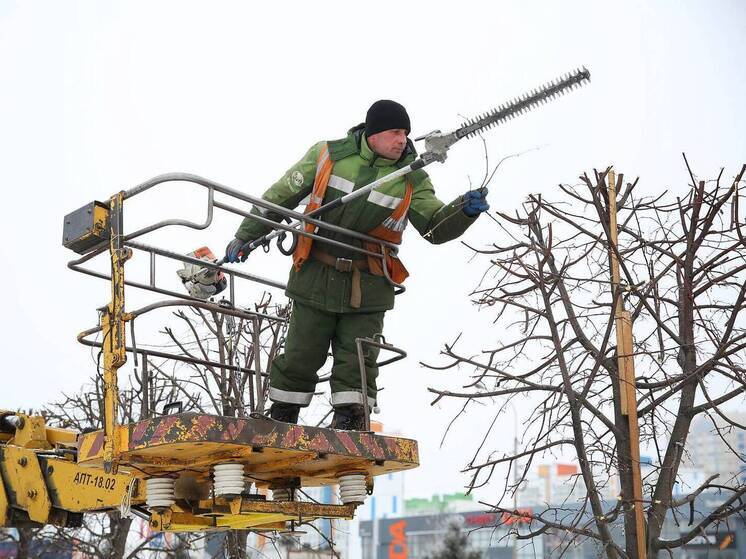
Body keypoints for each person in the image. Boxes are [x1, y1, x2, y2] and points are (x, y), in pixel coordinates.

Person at [225, 100, 489, 430]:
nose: (402, 140)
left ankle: (351, 422)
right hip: (316, 275)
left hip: (368, 284)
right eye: (395, 132)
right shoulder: (329, 156)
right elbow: (279, 197)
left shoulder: (411, 178)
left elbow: (434, 227)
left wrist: (463, 211)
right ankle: (282, 420)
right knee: (300, 354)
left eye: (406, 134)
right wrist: (246, 235)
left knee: (358, 361)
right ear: (374, 133)